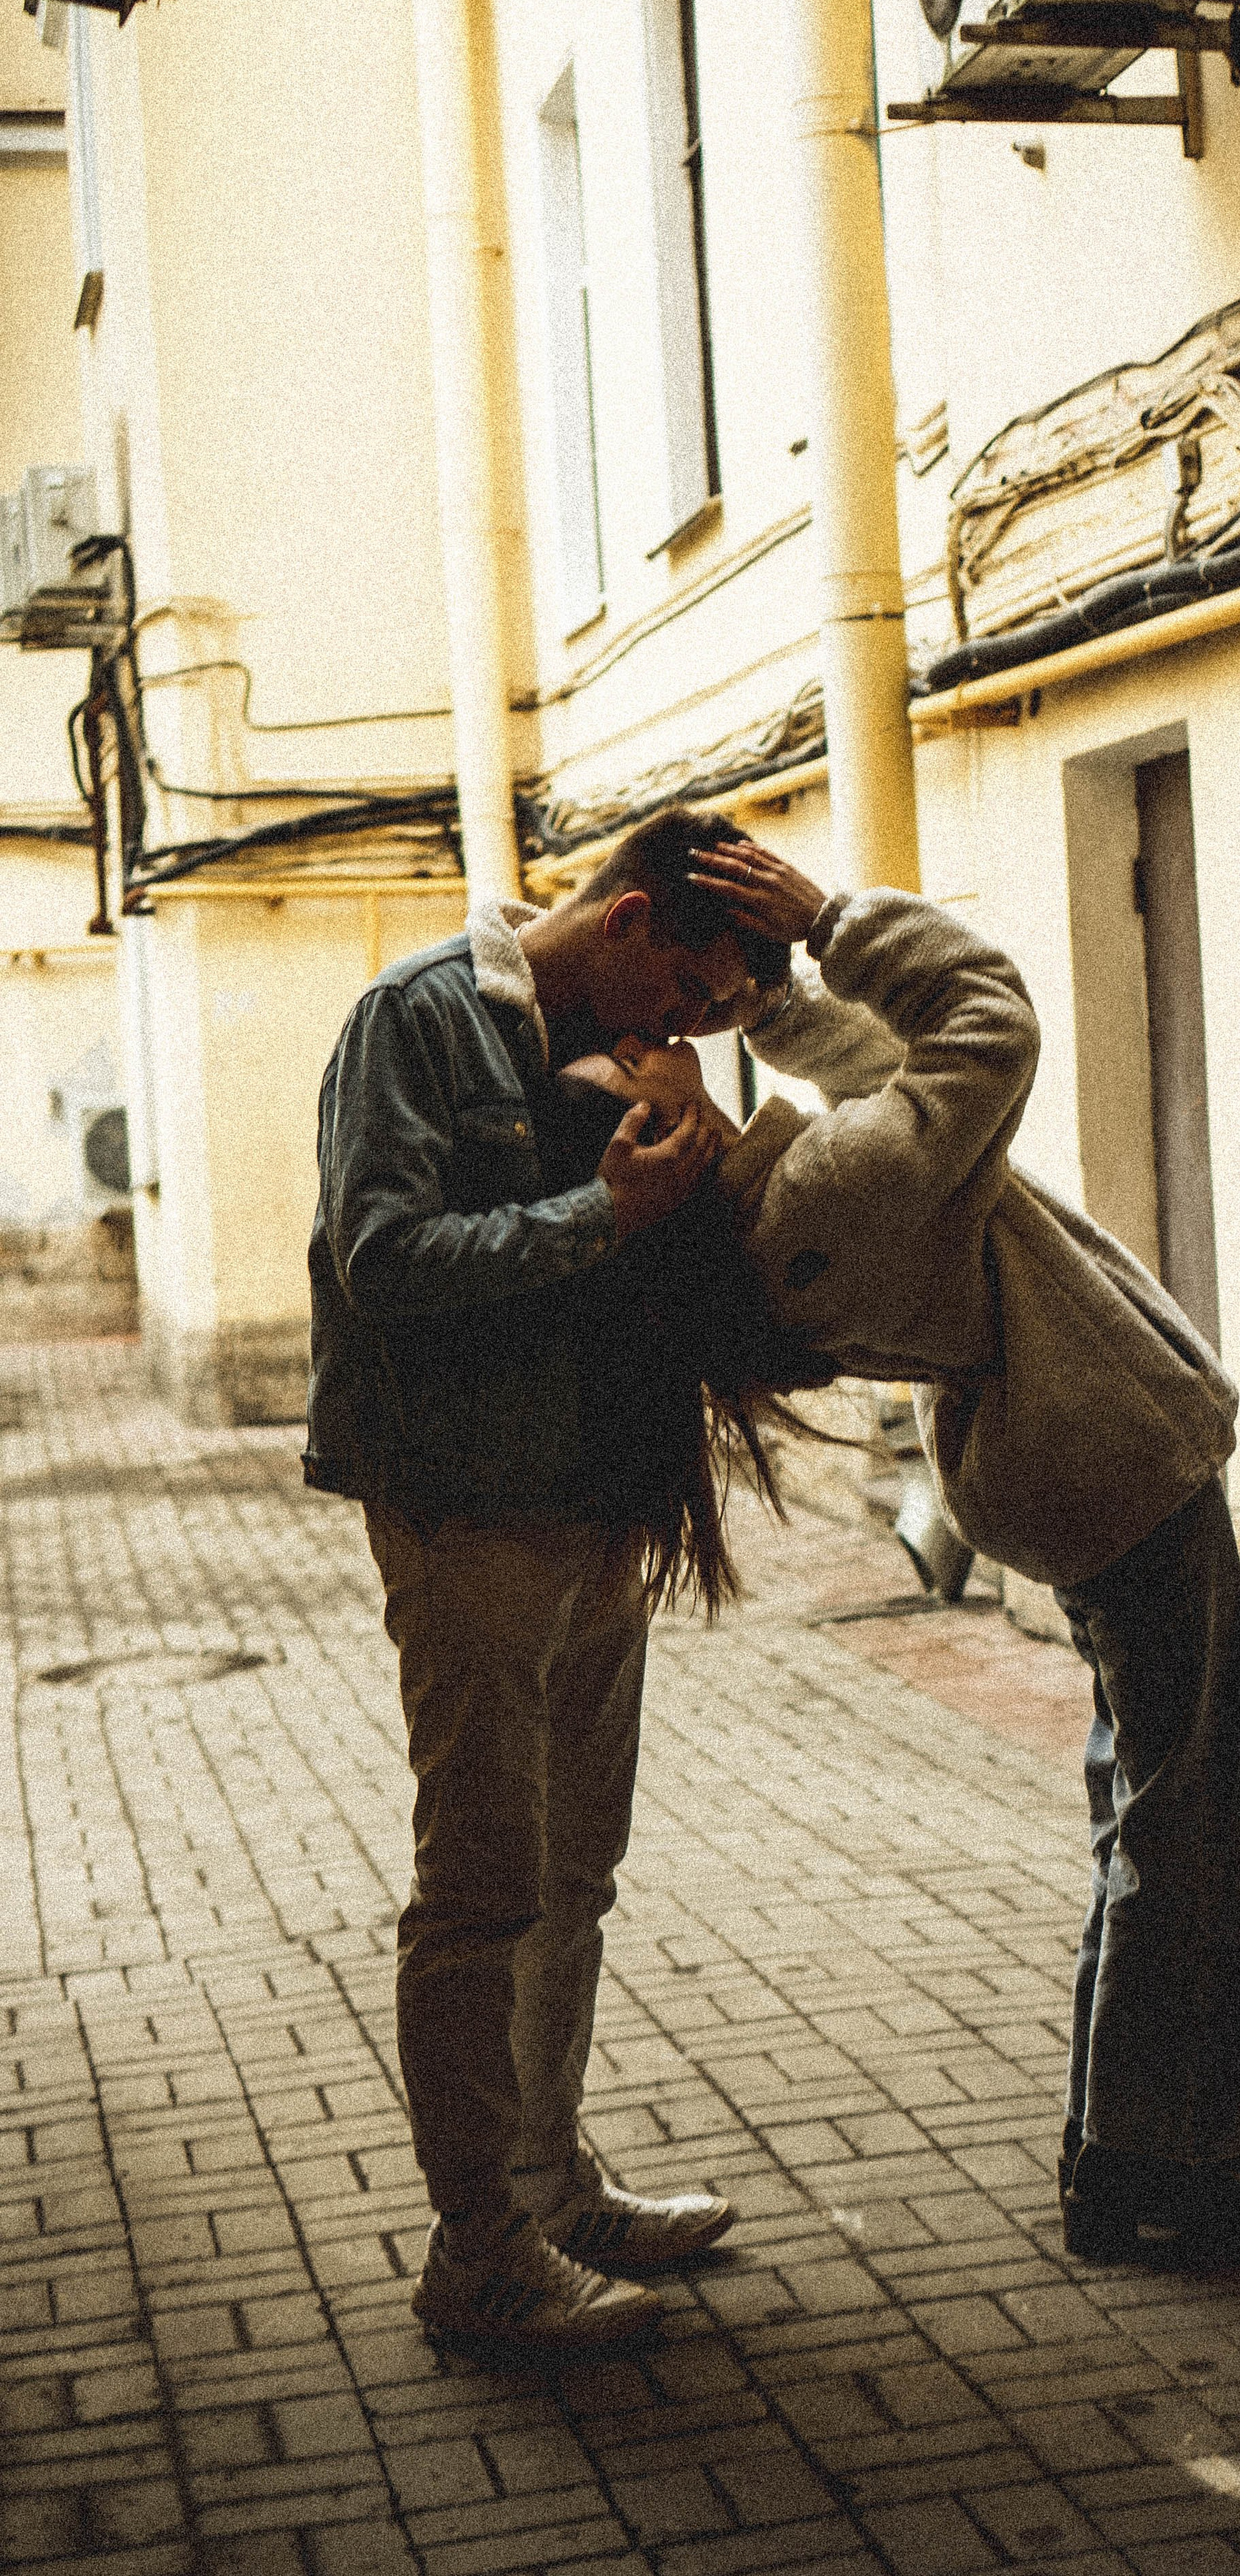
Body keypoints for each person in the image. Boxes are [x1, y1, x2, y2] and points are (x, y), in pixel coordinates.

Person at [567, 839, 1240, 2268]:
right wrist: (833, 921)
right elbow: (981, 1027)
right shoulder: (816, 1202)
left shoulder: (780, 1207)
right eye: (631, 1069)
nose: (654, 1046)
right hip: (1108, 1464)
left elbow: (870, 1077)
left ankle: (1132, 2138)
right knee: (1197, 1819)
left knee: (1154, 1803)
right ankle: (1156, 2160)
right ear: (646, 1147)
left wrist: (767, 1004)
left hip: (1069, 1464)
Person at [304, 811, 769, 2354]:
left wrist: (685, 1164)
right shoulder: (417, 1019)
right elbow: (383, 1259)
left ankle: (552, 2183)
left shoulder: (604, 1052)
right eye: (688, 997)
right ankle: (478, 2254)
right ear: (629, 920)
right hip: (468, 1513)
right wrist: (602, 1213)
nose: (681, 1033)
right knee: (483, 1887)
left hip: (594, 1503)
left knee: (578, 1868)